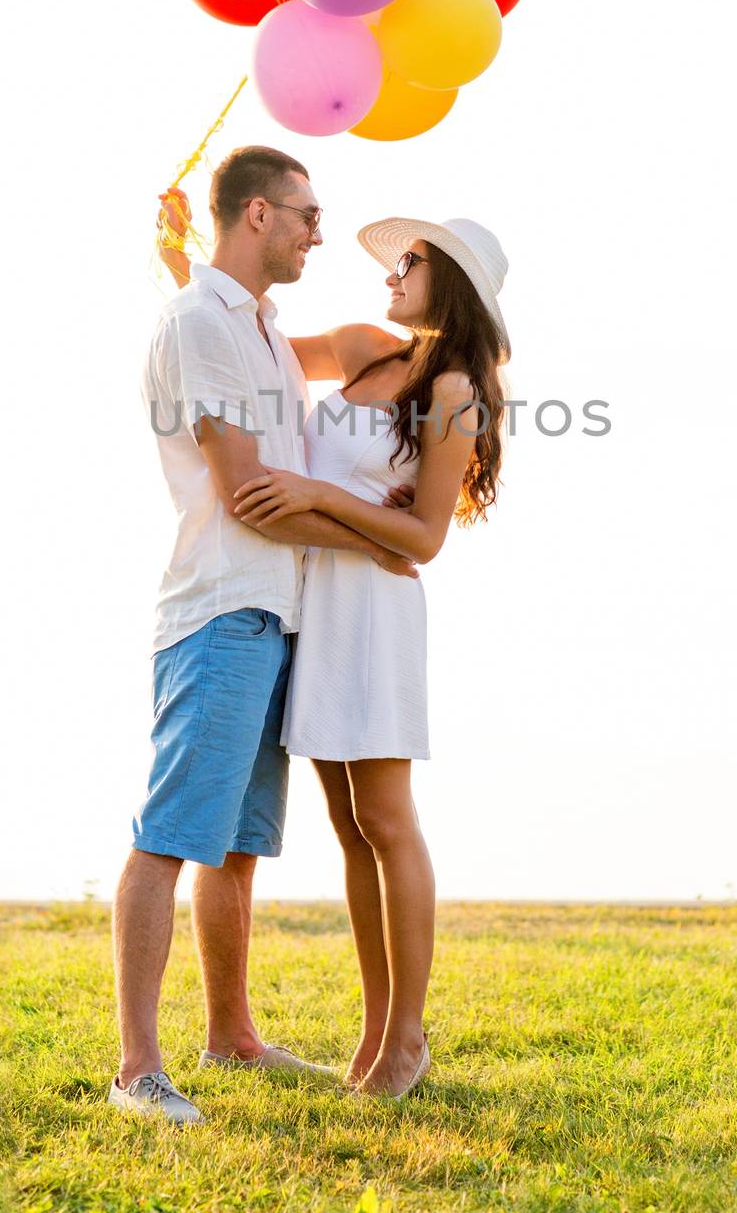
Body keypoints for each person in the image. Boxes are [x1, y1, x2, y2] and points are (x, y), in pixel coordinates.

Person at [110, 146, 419, 1125]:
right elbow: (248, 491)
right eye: (304, 212)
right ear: (253, 215)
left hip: (272, 618)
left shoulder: (260, 326)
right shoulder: (203, 321)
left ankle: (231, 1036)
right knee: (171, 837)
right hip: (220, 611)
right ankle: (136, 1071)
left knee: (236, 847)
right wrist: (383, 536)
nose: (318, 229)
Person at [232, 215, 511, 1099]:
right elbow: (253, 345)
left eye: (412, 261)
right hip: (316, 603)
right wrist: (182, 267)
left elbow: (423, 537)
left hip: (377, 617)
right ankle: (375, 1031)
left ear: (452, 282)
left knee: (387, 821)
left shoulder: (456, 388)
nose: (393, 270)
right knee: (350, 828)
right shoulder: (361, 348)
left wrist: (316, 493)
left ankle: (407, 1038)